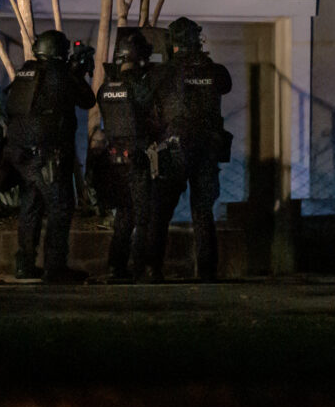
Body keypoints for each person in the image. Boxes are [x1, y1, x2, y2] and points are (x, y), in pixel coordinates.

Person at [4, 29, 95, 283]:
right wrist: (78, 73)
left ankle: (24, 263)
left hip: (20, 154)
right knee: (60, 207)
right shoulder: (60, 74)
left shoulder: (26, 72)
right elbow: (87, 100)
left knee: (31, 205)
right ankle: (55, 268)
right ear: (58, 52)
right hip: (47, 154)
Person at [149, 17, 232, 281]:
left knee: (160, 212)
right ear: (197, 40)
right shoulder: (215, 71)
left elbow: (142, 99)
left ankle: (152, 270)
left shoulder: (162, 72)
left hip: (174, 149)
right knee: (203, 212)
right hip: (207, 149)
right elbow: (224, 85)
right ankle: (206, 272)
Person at [92, 31, 155, 282]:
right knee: (143, 216)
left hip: (114, 158)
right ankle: (141, 267)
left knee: (124, 215)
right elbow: (150, 107)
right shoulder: (138, 86)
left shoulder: (106, 87)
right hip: (137, 156)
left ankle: (115, 266)